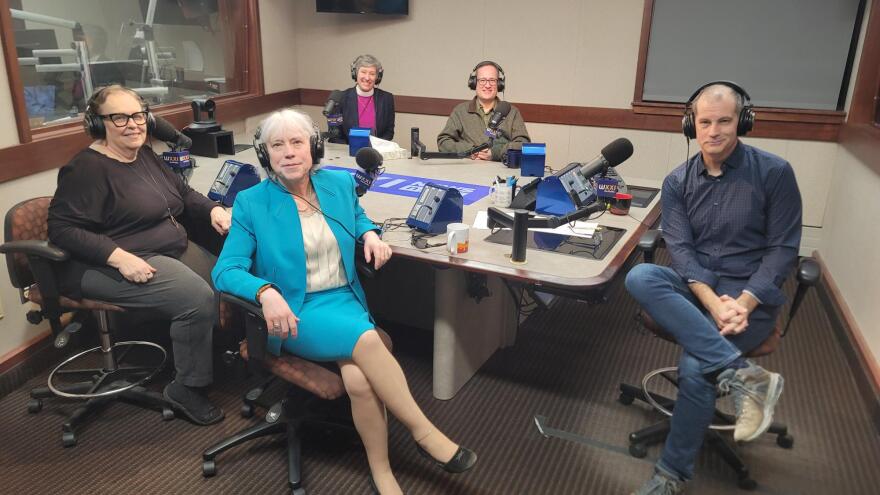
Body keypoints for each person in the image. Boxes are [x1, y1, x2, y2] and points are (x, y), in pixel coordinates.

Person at [212, 109, 477, 495]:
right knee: (368, 341)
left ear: (313, 147)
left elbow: (358, 217)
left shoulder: (337, 184)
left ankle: (381, 470)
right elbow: (225, 270)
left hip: (343, 300)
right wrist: (264, 293)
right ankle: (424, 433)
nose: (288, 152)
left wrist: (369, 236)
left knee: (359, 381)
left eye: (297, 142)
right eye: (277, 145)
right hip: (294, 312)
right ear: (264, 152)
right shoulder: (252, 203)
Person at [625, 81, 802, 494]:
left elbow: (783, 250)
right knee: (640, 276)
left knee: (695, 369)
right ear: (692, 125)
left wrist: (742, 300)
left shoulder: (775, 173)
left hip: (750, 297)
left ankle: (670, 475)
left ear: (743, 121)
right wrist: (710, 300)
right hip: (698, 287)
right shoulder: (677, 182)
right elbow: (682, 252)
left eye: (724, 121)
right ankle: (741, 375)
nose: (714, 131)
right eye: (705, 122)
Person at [48, 85, 230, 426]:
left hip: (165, 249)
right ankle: (186, 387)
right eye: (119, 117)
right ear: (98, 124)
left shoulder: (142, 154)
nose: (133, 124)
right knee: (196, 299)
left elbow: (183, 192)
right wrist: (117, 256)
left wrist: (213, 210)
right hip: (111, 261)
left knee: (226, 278)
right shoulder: (86, 169)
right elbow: (62, 230)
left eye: (138, 115)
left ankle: (205, 355)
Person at [437, 60, 530, 161]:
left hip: (501, 172)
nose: (487, 85)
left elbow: (523, 144)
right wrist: (469, 151)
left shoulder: (512, 112)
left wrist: (495, 153)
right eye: (482, 80)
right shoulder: (460, 111)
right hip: (467, 172)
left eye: (492, 80)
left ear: (499, 84)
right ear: (474, 83)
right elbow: (443, 142)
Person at [334, 54, 395, 143]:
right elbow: (336, 135)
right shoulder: (341, 98)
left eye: (372, 73)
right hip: (347, 152)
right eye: (363, 72)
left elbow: (389, 132)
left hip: (377, 152)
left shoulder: (387, 99)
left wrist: (376, 147)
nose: (367, 78)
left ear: (378, 77)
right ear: (355, 74)